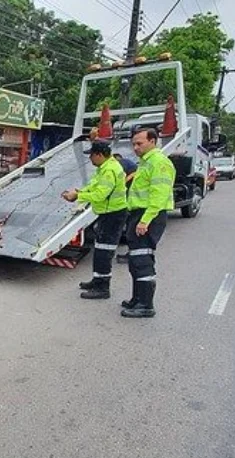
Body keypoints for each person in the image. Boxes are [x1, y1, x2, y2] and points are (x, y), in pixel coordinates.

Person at [62, 141, 128, 300]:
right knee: (99, 249)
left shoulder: (109, 170)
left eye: (91, 155)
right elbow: (93, 186)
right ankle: (97, 280)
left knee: (104, 252)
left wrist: (78, 196)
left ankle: (102, 288)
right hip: (107, 214)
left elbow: (100, 195)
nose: (90, 158)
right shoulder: (104, 168)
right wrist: (78, 191)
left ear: (99, 154)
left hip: (113, 215)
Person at [122, 128, 175, 318]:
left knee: (143, 260)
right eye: (134, 144)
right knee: (135, 260)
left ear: (153, 141)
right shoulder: (145, 162)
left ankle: (146, 305)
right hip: (138, 214)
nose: (135, 147)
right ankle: (137, 298)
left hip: (149, 215)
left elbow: (158, 196)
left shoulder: (159, 163)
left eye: (139, 143)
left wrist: (145, 221)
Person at [112, 153, 137, 264]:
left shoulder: (122, 163)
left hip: (134, 203)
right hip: (133, 201)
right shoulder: (128, 163)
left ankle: (132, 255)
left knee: (132, 229)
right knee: (131, 228)